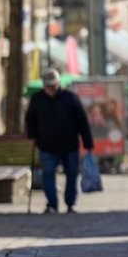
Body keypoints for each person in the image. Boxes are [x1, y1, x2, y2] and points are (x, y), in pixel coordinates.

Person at [25, 69, 93, 214]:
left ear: (58, 83)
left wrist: (88, 142)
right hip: (47, 144)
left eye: (53, 85)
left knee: (72, 174)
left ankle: (70, 203)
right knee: (48, 175)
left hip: (69, 144)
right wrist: (32, 136)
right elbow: (30, 119)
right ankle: (52, 204)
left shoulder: (71, 98)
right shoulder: (37, 99)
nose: (51, 89)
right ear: (43, 86)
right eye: (48, 86)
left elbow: (82, 121)